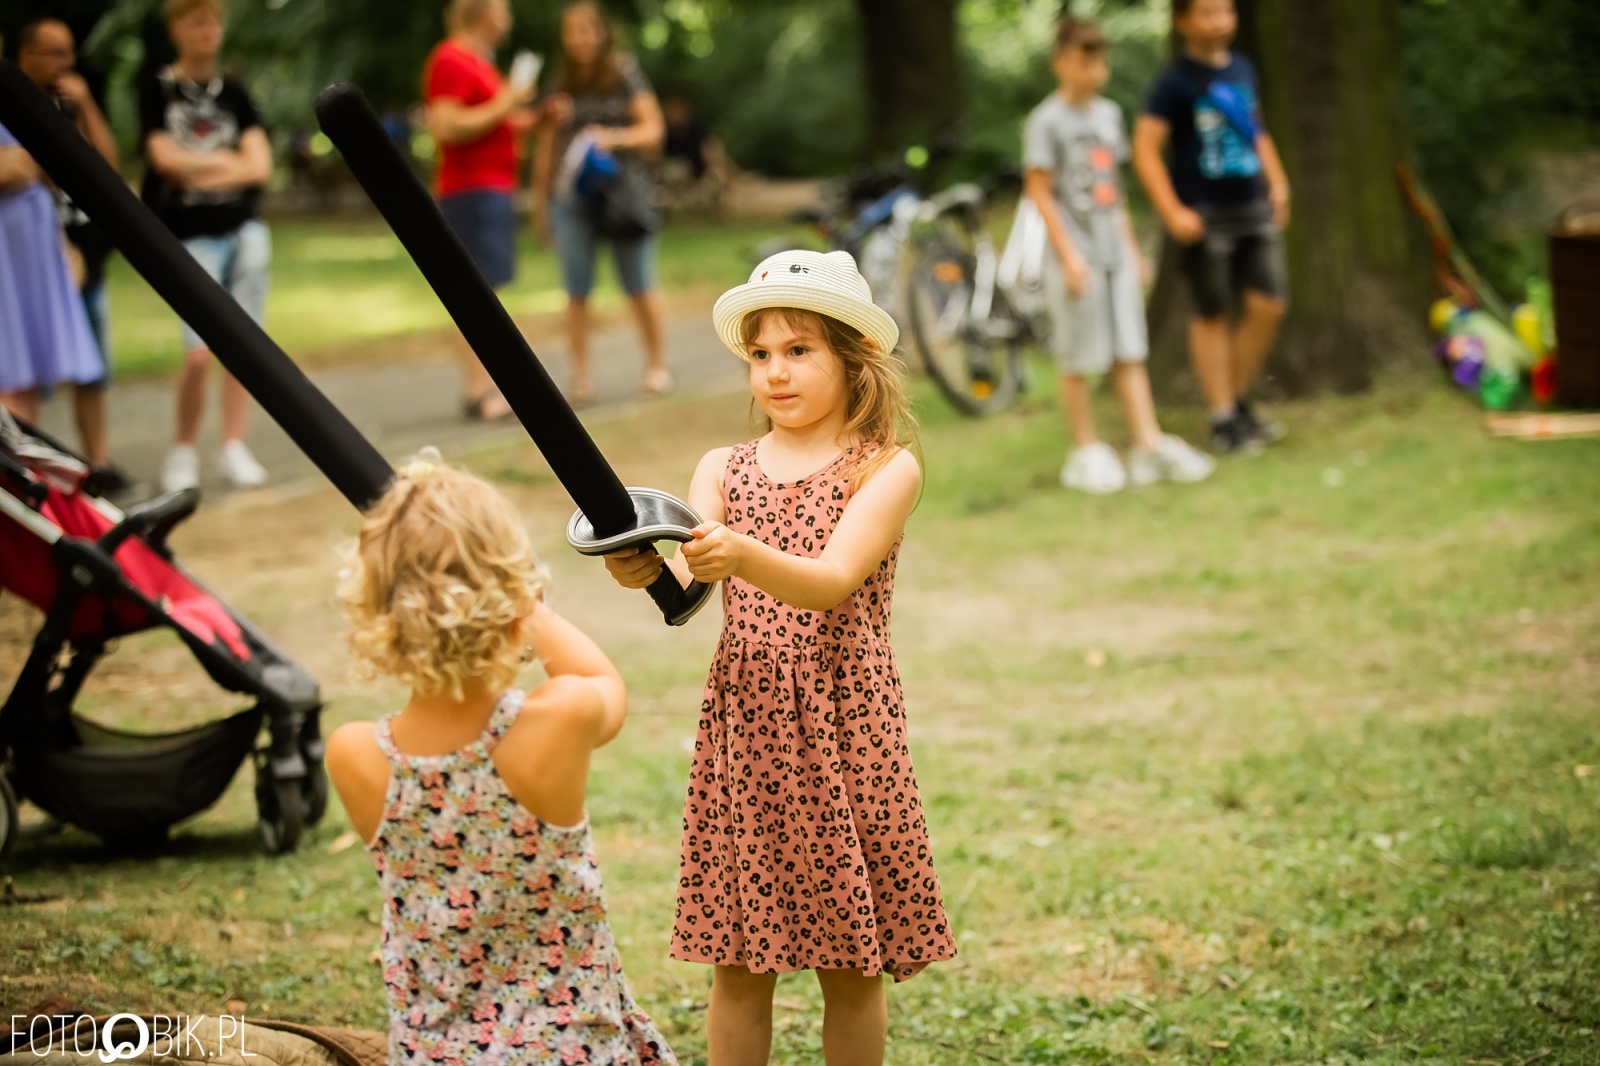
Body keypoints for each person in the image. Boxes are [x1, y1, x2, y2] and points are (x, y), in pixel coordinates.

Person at [604, 250, 957, 1066]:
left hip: (846, 727)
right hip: (749, 731)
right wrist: (647, 569)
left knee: (849, 962)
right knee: (737, 955)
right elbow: (690, 587)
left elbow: (832, 580)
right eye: (761, 355)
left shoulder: (885, 467)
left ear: (851, 356)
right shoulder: (720, 469)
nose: (775, 372)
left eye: (799, 351)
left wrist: (739, 554)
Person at [324, 451, 676, 1066]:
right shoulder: (557, 719)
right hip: (573, 1049)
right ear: (513, 596)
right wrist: (525, 602)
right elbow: (602, 681)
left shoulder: (354, 755)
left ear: (379, 610)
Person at [1023, 18, 1215, 494]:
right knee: (1078, 356)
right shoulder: (1045, 122)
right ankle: (1086, 450)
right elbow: (1041, 193)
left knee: (1129, 350)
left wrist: (1132, 249)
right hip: (1075, 258)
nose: (1094, 71)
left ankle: (1148, 445)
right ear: (1060, 63)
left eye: (1099, 61)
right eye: (1084, 61)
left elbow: (1114, 191)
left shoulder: (1108, 116)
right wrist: (1069, 256)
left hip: (1114, 253)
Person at [1132, 0, 1291, 455]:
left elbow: (1255, 129)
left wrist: (1278, 181)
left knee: (1269, 305)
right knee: (1213, 313)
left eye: (1225, 11)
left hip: (1253, 206)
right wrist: (1172, 211)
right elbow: (1145, 148)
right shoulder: (1174, 82)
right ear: (1183, 21)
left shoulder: (1242, 69)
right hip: (1205, 214)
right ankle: (1224, 417)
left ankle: (1237, 402)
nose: (1219, 21)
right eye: (1206, 12)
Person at [141, 0, 274, 492]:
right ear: (177, 28)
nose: (208, 31)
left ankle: (233, 446)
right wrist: (227, 162)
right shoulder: (157, 90)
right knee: (198, 352)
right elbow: (162, 159)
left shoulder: (235, 94)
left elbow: (260, 166)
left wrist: (197, 162)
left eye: (214, 21)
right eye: (197, 21)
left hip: (242, 230)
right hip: (189, 235)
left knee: (244, 346)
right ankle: (183, 451)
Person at [16, 18, 133, 494]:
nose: (65, 64)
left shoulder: (67, 106)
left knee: (91, 366)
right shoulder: (16, 108)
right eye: (54, 53)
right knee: (26, 374)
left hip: (84, 255)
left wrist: (83, 105)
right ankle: (26, 469)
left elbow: (106, 167)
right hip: (35, 260)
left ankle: (97, 463)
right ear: (26, 56)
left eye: (69, 53)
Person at [534, 0, 670, 407]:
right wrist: (541, 206)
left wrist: (611, 138)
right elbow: (547, 146)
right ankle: (580, 377)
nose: (581, 39)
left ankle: (657, 365)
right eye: (573, 31)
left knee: (639, 283)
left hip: (623, 195)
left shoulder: (624, 73)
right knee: (576, 290)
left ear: (602, 33)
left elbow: (653, 130)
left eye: (587, 30)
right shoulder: (560, 83)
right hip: (574, 200)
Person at [423, 0, 540, 422]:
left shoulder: (479, 62)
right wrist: (509, 100)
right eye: (504, 9)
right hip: (469, 191)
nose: (508, 17)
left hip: (491, 188)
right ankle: (477, 391)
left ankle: (487, 386)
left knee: (488, 293)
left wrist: (534, 119)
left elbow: (493, 123)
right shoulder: (451, 58)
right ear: (485, 12)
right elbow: (447, 125)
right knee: (474, 295)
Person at [0, 37, 110, 477]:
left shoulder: (15, 98)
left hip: (33, 254)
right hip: (7, 257)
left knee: (28, 374)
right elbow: (19, 168)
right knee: (11, 371)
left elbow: (72, 166)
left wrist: (61, 245)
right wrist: (26, 162)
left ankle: (26, 477)